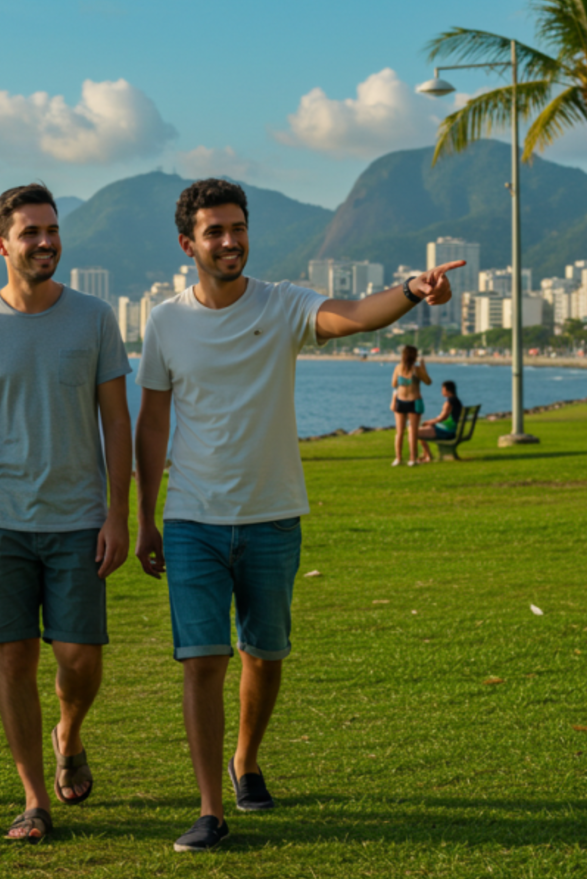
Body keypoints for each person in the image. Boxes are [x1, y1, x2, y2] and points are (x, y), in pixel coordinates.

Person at [134, 179, 456, 853]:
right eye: (214, 231)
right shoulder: (163, 321)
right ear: (188, 243)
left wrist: (411, 289)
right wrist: (145, 518)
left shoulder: (284, 305)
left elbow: (357, 315)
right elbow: (153, 424)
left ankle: (245, 759)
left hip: (273, 514)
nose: (229, 240)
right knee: (202, 661)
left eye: (237, 227)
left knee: (266, 652)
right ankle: (209, 808)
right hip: (193, 517)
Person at [0, 183, 132, 844]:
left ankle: (69, 734)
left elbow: (116, 421)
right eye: (31, 232)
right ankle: (31, 798)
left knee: (79, 657)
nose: (46, 241)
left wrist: (119, 515)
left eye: (52, 230)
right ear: (1, 244)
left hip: (79, 518)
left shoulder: (95, 317)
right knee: (13, 660)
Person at [388, 345, 431, 466]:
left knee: (404, 432)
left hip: (408, 402)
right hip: (408, 401)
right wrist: (423, 368)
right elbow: (428, 382)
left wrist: (422, 369)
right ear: (414, 356)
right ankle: (409, 458)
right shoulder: (413, 369)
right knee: (409, 432)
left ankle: (402, 458)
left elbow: (394, 384)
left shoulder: (401, 368)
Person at [416, 381, 464, 459]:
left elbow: (442, 418)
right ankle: (426, 454)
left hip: (445, 431)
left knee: (415, 432)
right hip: (449, 430)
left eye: (442, 389)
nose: (441, 391)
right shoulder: (457, 401)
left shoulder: (449, 402)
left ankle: (428, 455)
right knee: (420, 430)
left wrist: (428, 422)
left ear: (445, 389)